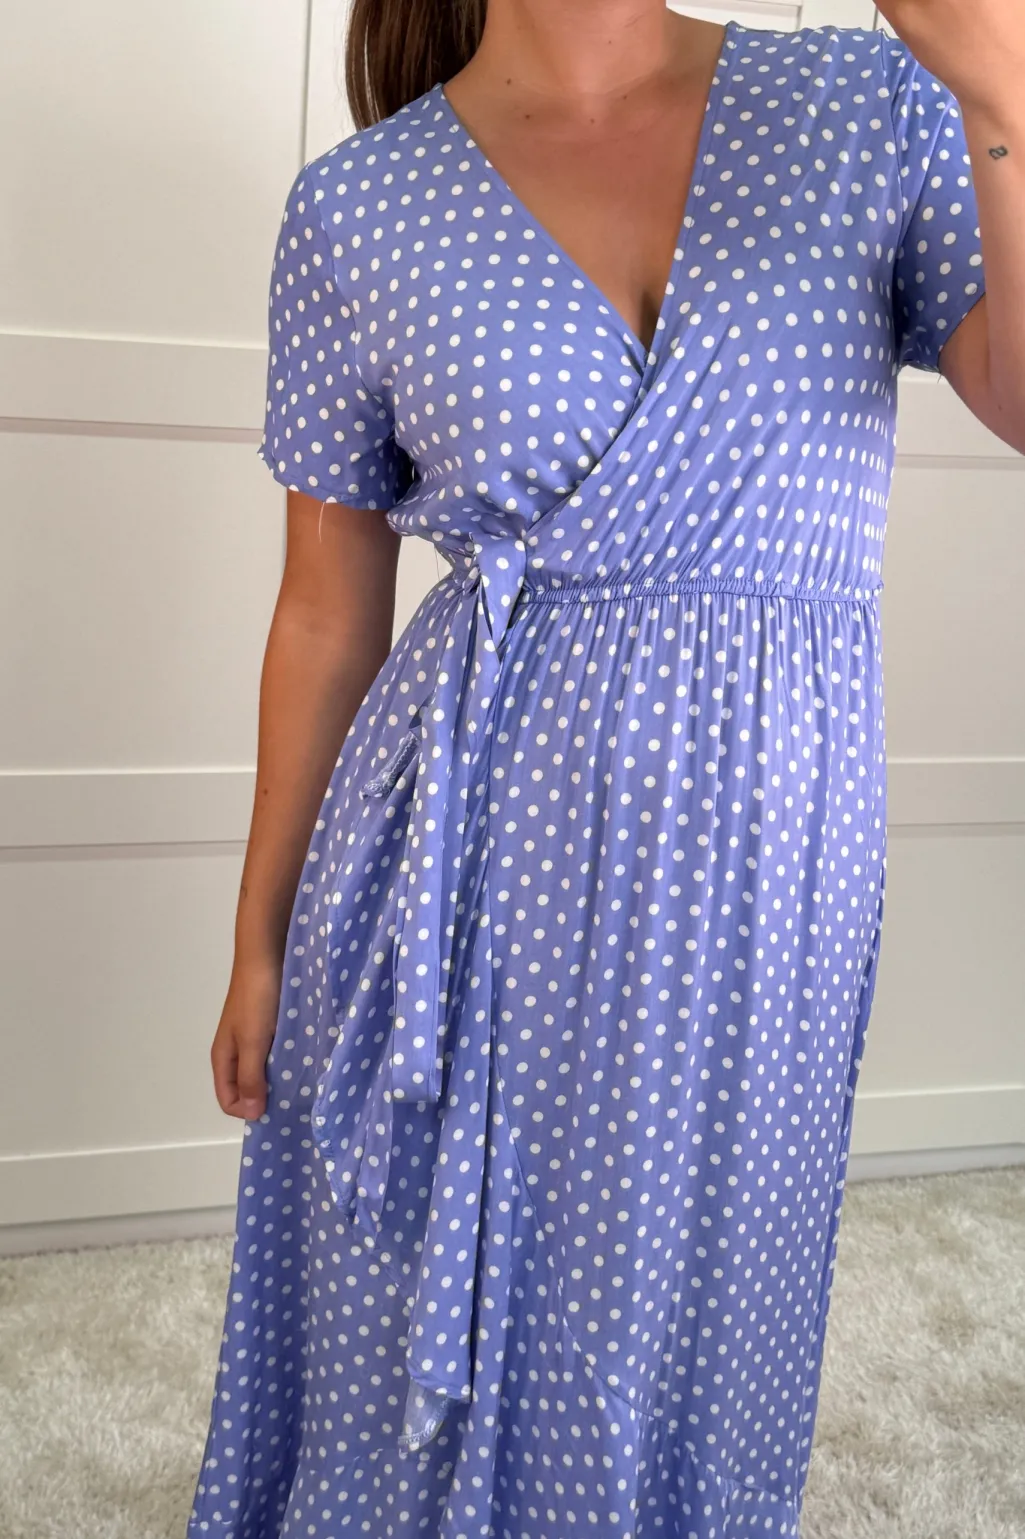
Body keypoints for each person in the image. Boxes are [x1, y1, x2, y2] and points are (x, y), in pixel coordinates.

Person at [188, 2, 1024, 1534]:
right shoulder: (360, 207)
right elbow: (322, 613)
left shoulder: (866, 102)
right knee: (430, 1308)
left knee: (711, 1302)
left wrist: (1005, 83)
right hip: (467, 853)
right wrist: (261, 935)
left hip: (769, 856)